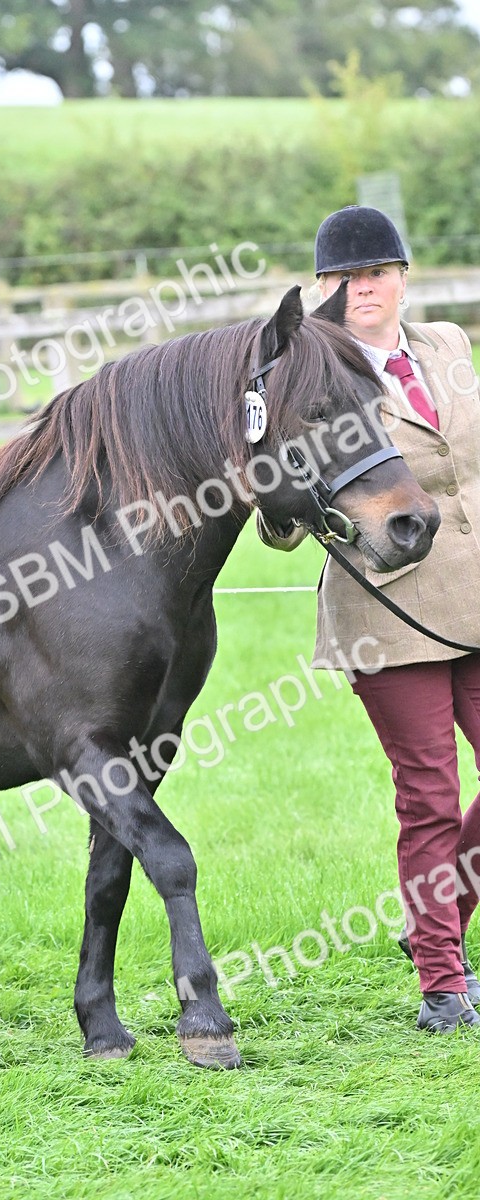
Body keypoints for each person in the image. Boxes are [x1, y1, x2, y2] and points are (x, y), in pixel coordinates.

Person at [258, 204, 480, 1033]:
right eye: (347, 278)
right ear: (324, 285)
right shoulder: (303, 364)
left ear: (402, 279)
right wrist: (281, 508)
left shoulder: (448, 348)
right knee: (429, 796)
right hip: (388, 612)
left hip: (478, 596)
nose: (364, 290)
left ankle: (435, 922)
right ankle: (443, 984)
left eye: (378, 273)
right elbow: (279, 509)